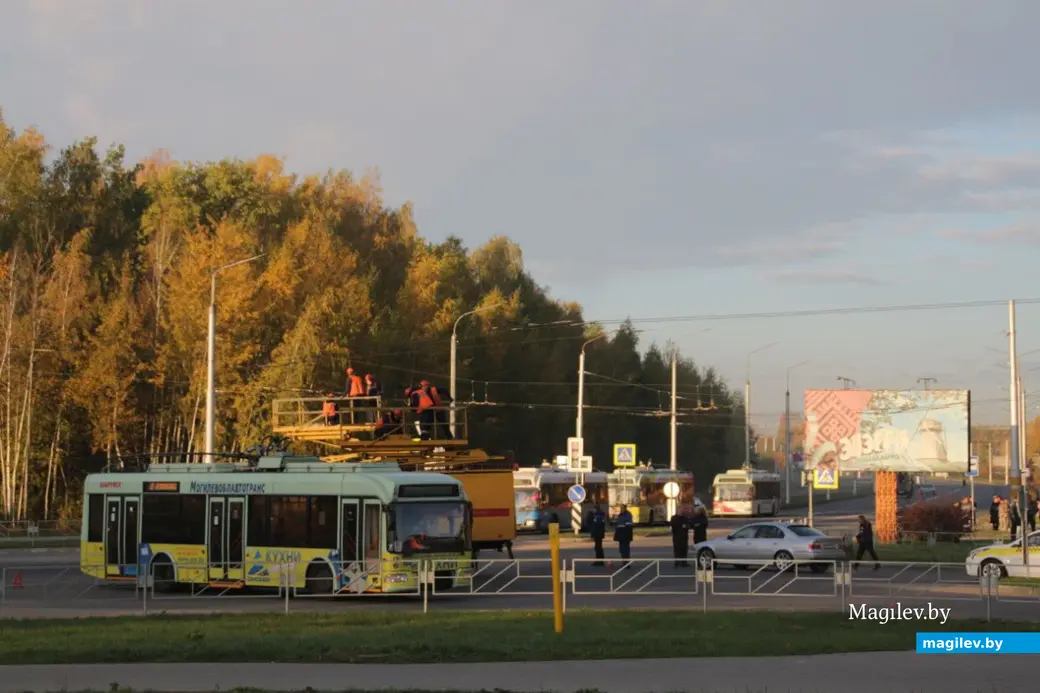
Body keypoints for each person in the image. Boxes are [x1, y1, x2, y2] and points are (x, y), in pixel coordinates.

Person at [613, 503, 634, 568]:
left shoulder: (627, 515)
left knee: (625, 550)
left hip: (625, 535)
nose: (621, 509)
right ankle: (624, 562)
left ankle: (626, 564)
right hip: (621, 535)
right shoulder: (620, 515)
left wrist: (628, 535)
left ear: (625, 508)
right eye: (620, 508)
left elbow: (629, 526)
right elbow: (618, 525)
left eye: (622, 508)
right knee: (621, 549)